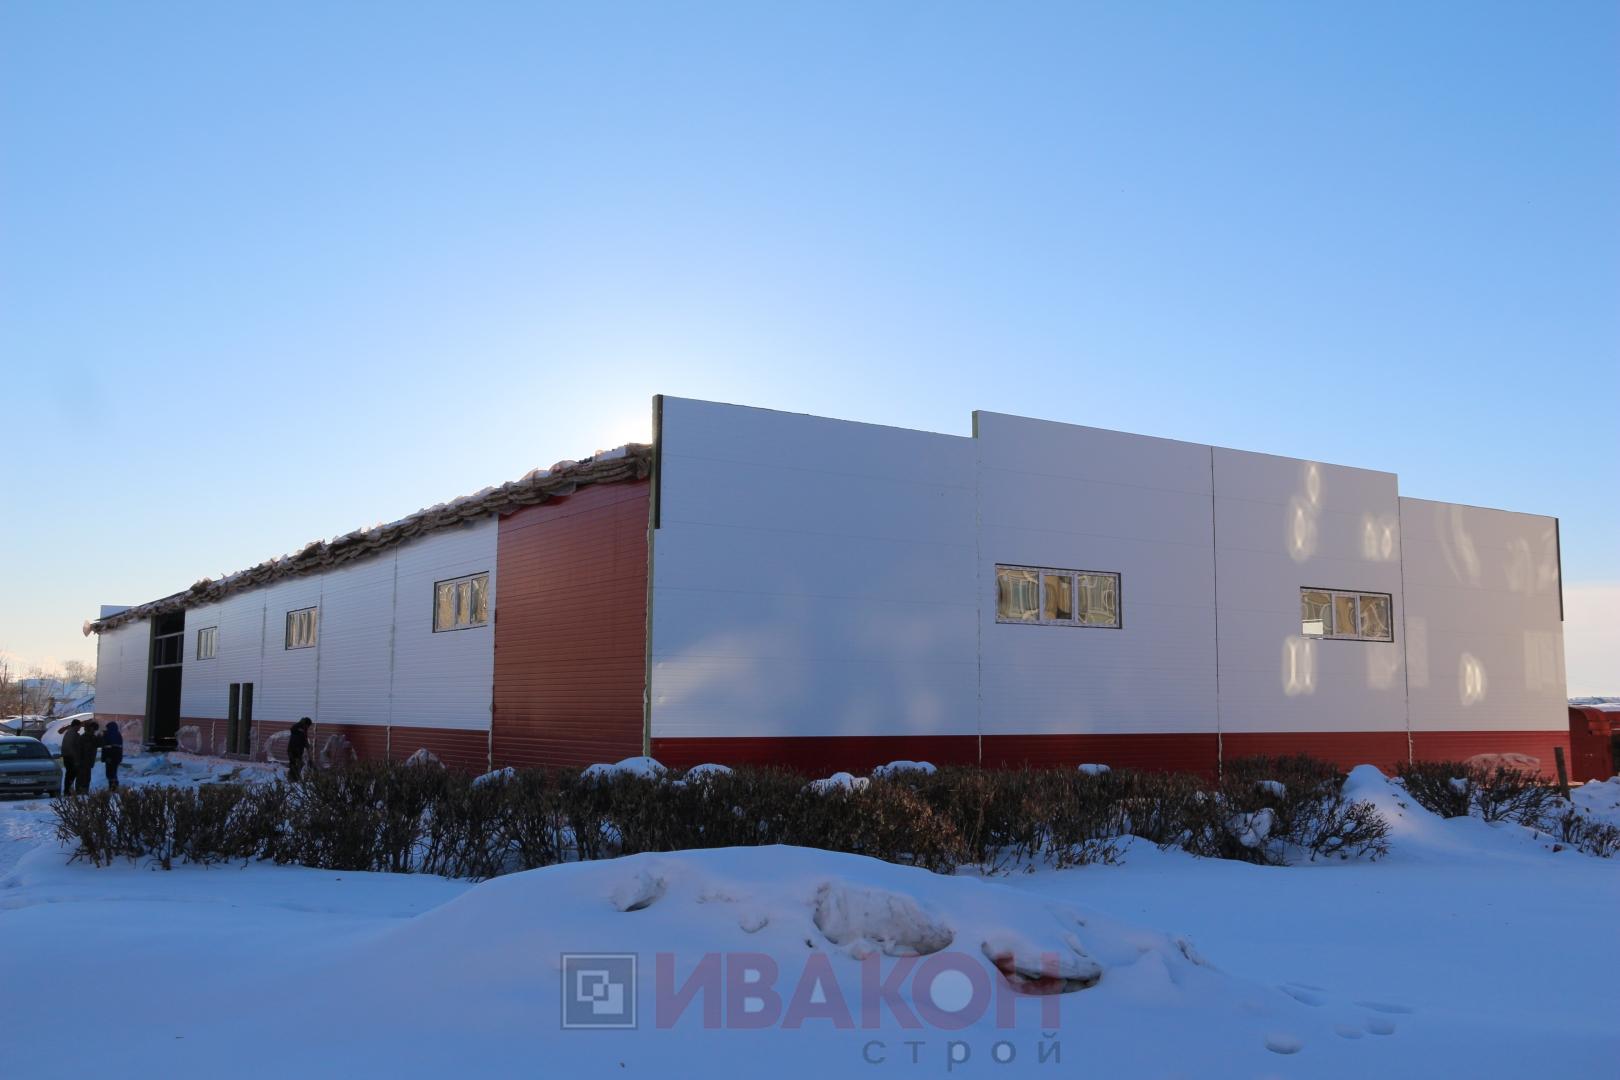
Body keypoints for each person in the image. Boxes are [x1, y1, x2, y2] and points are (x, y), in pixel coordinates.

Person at [58, 718, 83, 797]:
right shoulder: (73, 734)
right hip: (71, 757)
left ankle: (67, 790)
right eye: (79, 726)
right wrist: (76, 759)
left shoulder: (69, 732)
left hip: (67, 756)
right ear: (76, 726)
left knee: (69, 774)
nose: (80, 728)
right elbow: (73, 747)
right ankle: (68, 790)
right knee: (71, 774)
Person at [76, 721, 101, 794]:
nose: (94, 731)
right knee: (83, 778)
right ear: (91, 729)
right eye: (94, 729)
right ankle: (81, 792)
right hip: (84, 762)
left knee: (84, 778)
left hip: (86, 762)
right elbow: (96, 744)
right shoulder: (87, 737)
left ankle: (81, 792)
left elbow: (99, 744)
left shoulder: (89, 737)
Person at [287, 717, 314, 782]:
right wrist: (306, 744)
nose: (308, 727)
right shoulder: (297, 727)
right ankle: (292, 779)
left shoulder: (304, 730)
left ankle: (295, 778)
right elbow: (292, 729)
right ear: (305, 724)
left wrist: (308, 746)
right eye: (308, 726)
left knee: (298, 764)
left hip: (298, 750)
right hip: (292, 750)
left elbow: (305, 740)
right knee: (293, 764)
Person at [101, 721, 125, 791]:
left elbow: (105, 747)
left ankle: (112, 788)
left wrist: (105, 758)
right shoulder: (118, 735)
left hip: (109, 757)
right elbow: (120, 748)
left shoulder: (107, 735)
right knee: (114, 772)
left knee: (109, 773)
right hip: (116, 758)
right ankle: (114, 788)